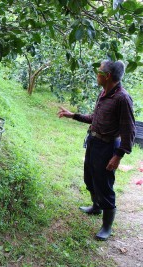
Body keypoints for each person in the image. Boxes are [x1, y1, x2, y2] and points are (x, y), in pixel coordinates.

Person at [57, 60, 136, 241]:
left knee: (104, 184)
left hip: (108, 147)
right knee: (90, 177)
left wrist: (118, 156)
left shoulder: (122, 98)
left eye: (99, 71)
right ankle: (96, 206)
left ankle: (107, 226)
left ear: (107, 76)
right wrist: (73, 115)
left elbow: (129, 130)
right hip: (94, 141)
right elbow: (96, 118)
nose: (96, 73)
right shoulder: (104, 93)